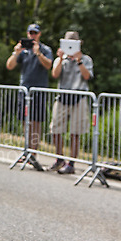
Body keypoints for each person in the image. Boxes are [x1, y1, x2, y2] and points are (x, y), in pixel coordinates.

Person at [6, 23, 53, 171]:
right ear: (27, 34)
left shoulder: (45, 50)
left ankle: (33, 153)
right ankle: (26, 151)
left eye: (35, 33)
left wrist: (38, 53)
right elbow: (9, 66)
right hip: (24, 91)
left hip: (38, 90)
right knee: (26, 122)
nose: (32, 35)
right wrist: (16, 52)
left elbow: (48, 65)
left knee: (36, 123)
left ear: (39, 34)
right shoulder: (23, 51)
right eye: (30, 33)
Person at [49, 31, 93, 174]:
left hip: (79, 98)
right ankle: (59, 158)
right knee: (55, 129)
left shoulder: (86, 59)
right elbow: (55, 74)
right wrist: (60, 59)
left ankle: (71, 163)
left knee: (75, 132)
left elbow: (87, 76)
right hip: (62, 96)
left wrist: (79, 61)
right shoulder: (61, 59)